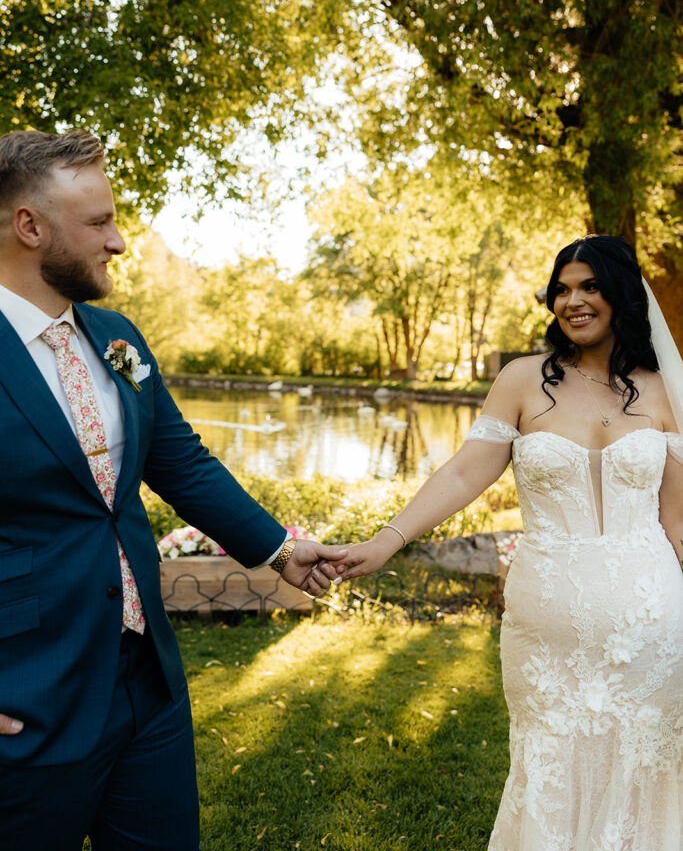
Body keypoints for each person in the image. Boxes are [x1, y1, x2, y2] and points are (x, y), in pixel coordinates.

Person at [0, 128, 346, 851]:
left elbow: (178, 460)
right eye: (98, 222)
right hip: (27, 692)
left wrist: (280, 551)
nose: (118, 241)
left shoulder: (117, 337)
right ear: (29, 226)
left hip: (146, 683)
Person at [338, 235, 683, 850]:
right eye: (562, 288)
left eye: (590, 286)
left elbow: (678, 520)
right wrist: (386, 541)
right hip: (546, 620)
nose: (573, 301)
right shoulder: (524, 380)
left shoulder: (662, 391)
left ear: (622, 295)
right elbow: (468, 471)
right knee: (548, 759)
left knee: (649, 763)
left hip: (653, 619)